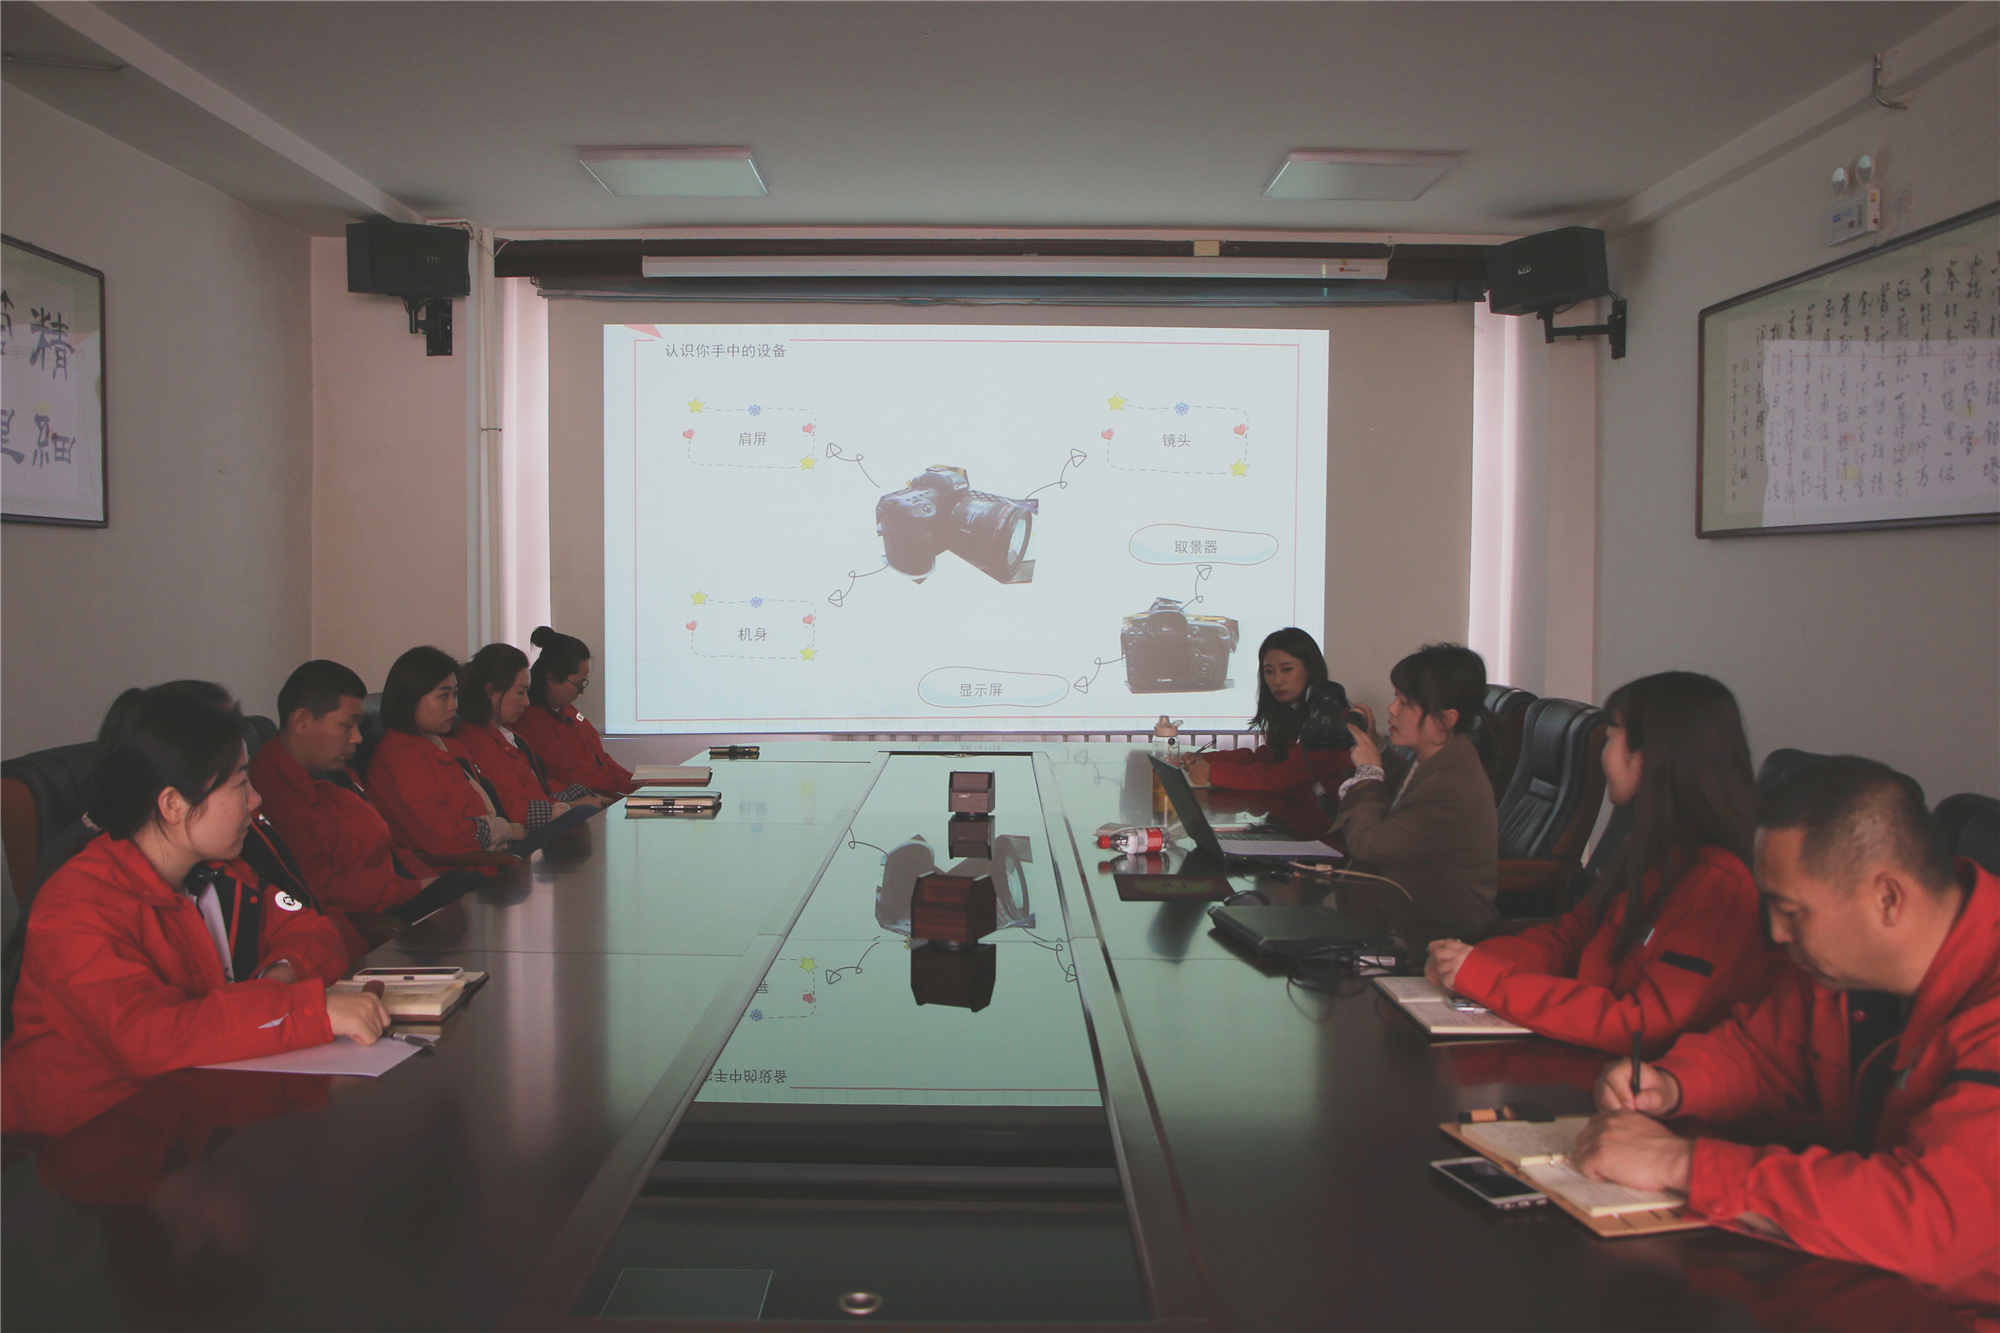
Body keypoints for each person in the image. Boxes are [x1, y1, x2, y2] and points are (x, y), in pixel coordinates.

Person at [1575, 757, 2000, 1313]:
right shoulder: (1847, 969)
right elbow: (1765, 1052)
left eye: (1792, 912)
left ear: (1888, 899)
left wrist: (1682, 1164)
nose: (1776, 934)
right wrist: (1672, 1085)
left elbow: (1932, 1221)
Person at [3, 686, 389, 1137]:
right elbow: (149, 1039)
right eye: (241, 783)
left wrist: (280, 977)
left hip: (196, 1115)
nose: (256, 800)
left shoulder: (223, 872)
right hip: (83, 1142)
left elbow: (313, 931)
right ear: (173, 804)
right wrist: (309, 1012)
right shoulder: (77, 906)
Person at [1425, 671, 1782, 1054]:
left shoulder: (1718, 886)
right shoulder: (1652, 853)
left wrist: (1486, 978)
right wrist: (1469, 960)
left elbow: (1642, 1023)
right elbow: (1570, 939)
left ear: (1651, 757)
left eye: (1611, 737)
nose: (1602, 755)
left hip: (1648, 1076)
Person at [1329, 643, 1498, 936]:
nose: (1391, 709)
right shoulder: (1437, 756)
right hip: (1397, 911)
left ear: (1445, 719)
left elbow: (1367, 845)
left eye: (1405, 702)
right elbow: (1398, 791)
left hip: (1429, 933)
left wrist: (1369, 773)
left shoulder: (1450, 785)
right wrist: (1376, 746)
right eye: (1396, 697)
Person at [249, 659, 440, 917]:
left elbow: (389, 848)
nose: (358, 738)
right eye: (346, 726)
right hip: (373, 920)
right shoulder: (274, 793)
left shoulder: (335, 771)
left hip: (400, 891)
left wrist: (427, 880)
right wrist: (414, 889)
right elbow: (326, 893)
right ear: (302, 721)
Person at [365, 647, 525, 859]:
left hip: (490, 854)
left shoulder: (447, 745)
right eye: (443, 696)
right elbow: (441, 838)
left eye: (455, 695)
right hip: (460, 867)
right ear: (410, 698)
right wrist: (502, 830)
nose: (453, 706)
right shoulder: (399, 757)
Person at [1178, 627, 1357, 800]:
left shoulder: (1328, 716)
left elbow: (1284, 777)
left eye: (1287, 669)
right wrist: (1206, 758)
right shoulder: (1293, 711)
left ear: (1309, 669)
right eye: (1269, 672)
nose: (1277, 680)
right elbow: (1268, 758)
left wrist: (1213, 773)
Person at [452, 643, 605, 832]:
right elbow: (517, 811)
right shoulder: (477, 742)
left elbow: (540, 792)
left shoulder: (510, 736)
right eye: (520, 692)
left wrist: (581, 796)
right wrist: (572, 806)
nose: (526, 702)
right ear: (491, 692)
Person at [512, 626, 638, 796]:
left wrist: (638, 785)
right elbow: (544, 783)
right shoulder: (527, 723)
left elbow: (601, 761)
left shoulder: (570, 713)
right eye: (578, 684)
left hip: (606, 798)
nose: (581, 692)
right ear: (551, 677)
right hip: (583, 804)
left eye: (583, 683)